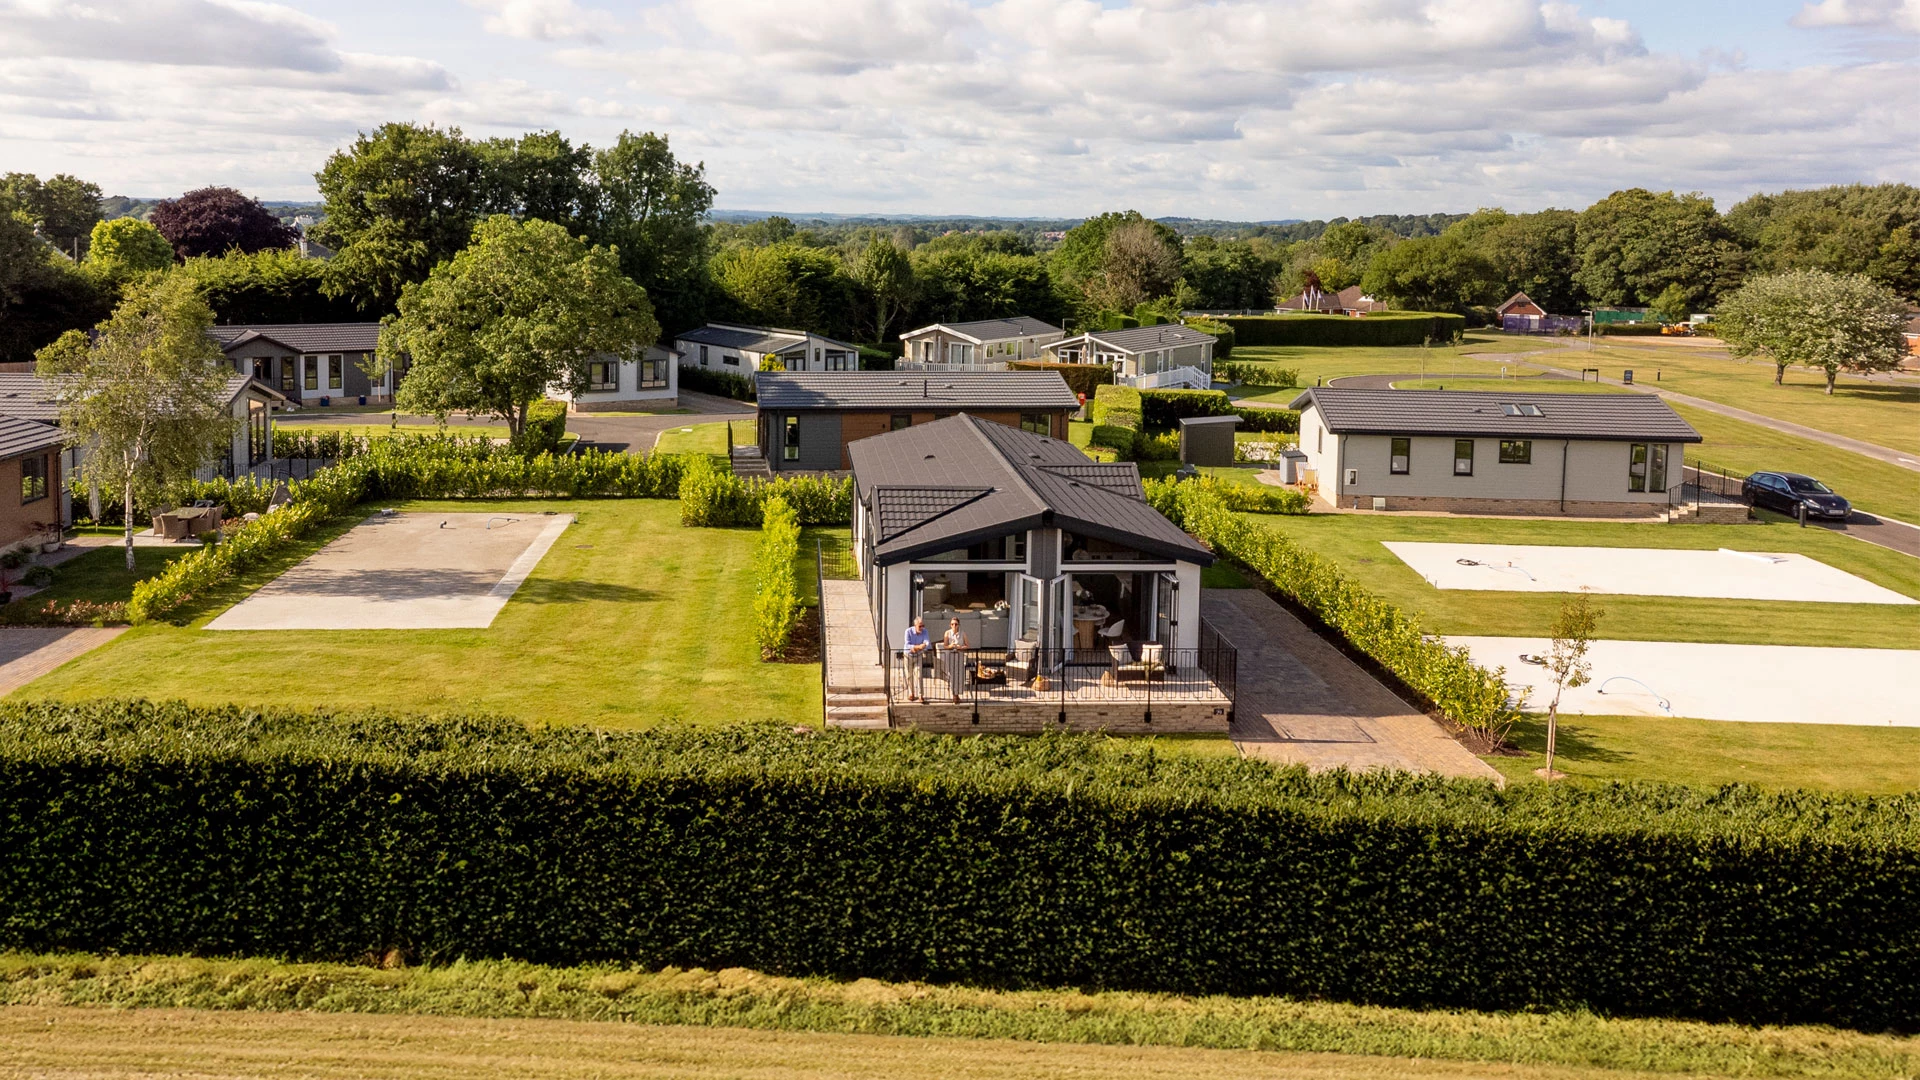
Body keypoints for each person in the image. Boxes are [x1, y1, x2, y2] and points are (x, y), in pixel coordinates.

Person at [941, 617, 971, 703]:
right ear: (950, 625)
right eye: (952, 624)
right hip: (950, 656)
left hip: (959, 655)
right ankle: (954, 694)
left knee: (959, 675)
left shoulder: (963, 633)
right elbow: (945, 646)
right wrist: (951, 646)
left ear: (958, 625)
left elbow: (968, 645)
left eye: (956, 624)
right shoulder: (947, 633)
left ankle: (957, 694)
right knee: (952, 675)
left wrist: (960, 647)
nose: (954, 626)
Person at [902, 616, 931, 701]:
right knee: (909, 675)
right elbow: (907, 645)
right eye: (920, 626)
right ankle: (911, 693)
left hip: (918, 655)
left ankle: (920, 695)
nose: (922, 628)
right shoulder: (908, 631)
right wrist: (919, 647)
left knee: (919, 675)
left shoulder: (925, 631)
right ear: (915, 625)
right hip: (908, 656)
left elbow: (927, 643)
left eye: (923, 626)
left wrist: (917, 647)